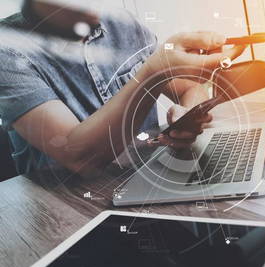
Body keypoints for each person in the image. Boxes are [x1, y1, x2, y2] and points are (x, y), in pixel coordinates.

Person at [0, 1, 245, 176]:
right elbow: (79, 157)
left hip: (146, 181)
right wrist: (153, 72)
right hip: (65, 217)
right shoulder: (7, 50)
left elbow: (189, 89)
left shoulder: (123, 23)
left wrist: (187, 116)